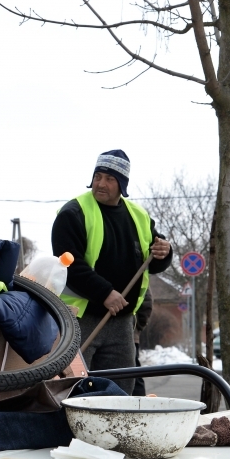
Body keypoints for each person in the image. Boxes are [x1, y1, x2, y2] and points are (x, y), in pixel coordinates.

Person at [52, 149, 172, 394]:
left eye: (109, 179)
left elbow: (152, 261)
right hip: (79, 319)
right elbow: (69, 263)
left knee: (120, 391)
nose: (101, 184)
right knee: (72, 388)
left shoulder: (139, 216)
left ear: (122, 184)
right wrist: (105, 293)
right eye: (98, 176)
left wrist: (165, 252)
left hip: (122, 322)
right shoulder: (73, 213)